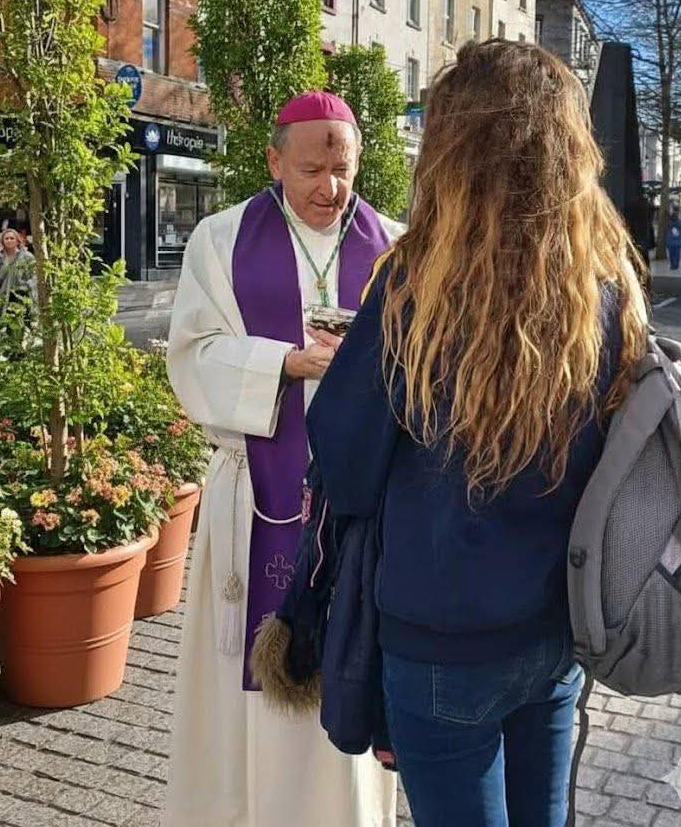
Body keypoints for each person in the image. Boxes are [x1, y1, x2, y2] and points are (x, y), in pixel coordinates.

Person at [307, 41, 647, 827]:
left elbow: (347, 469)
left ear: (450, 149)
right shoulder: (605, 284)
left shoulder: (413, 282)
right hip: (559, 628)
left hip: (440, 634)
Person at [164, 91, 400, 827]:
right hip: (253, 499)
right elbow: (192, 355)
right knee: (244, 688)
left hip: (362, 507)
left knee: (351, 661)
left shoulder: (397, 242)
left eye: (342, 168)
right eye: (310, 169)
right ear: (273, 160)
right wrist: (286, 364)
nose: (329, 187)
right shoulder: (220, 237)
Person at [0, 229, 36, 332]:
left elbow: (34, 277)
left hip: (19, 298)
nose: (9, 240)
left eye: (12, 238)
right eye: (6, 238)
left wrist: (25, 288)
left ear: (17, 241)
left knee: (17, 329)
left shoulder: (27, 257)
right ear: (2, 241)